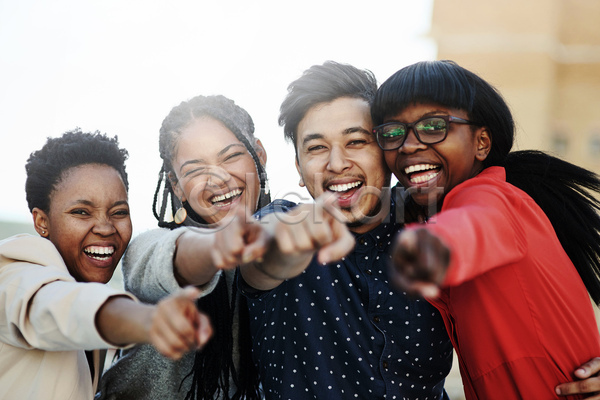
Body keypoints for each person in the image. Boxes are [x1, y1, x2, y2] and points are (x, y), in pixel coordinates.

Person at [371, 59, 600, 399]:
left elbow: (476, 224)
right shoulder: (431, 205)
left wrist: (434, 246)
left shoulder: (490, 195)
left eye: (434, 126)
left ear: (481, 143)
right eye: (391, 133)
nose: (408, 145)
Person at [239, 61, 455, 400]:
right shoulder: (284, 219)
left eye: (356, 141)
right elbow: (261, 257)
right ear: (298, 166)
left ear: (387, 150)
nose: (337, 163)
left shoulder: (433, 221)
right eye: (316, 148)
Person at [0, 130, 212, 400]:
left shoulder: (80, 280)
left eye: (119, 212)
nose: (105, 227)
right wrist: (147, 320)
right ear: (42, 221)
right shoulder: (13, 272)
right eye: (81, 212)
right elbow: (62, 307)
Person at [97, 95, 269, 400]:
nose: (218, 178)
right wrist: (219, 245)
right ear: (176, 185)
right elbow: (173, 260)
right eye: (195, 169)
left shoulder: (286, 244)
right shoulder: (150, 248)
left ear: (259, 155)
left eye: (230, 157)